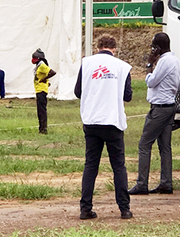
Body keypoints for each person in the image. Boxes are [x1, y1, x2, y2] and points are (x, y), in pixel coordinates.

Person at [75, 34, 133, 220]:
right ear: (114, 49)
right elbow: (128, 96)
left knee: (91, 165)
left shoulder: (86, 63)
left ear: (97, 46)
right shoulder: (122, 67)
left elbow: (78, 91)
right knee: (118, 166)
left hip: (91, 120)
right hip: (113, 121)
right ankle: (124, 209)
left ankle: (85, 208)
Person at [128, 32, 180, 195]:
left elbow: (151, 82)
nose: (152, 50)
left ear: (158, 48)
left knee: (144, 144)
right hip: (170, 106)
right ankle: (166, 183)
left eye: (153, 47)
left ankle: (142, 183)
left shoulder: (163, 62)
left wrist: (149, 66)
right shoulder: (175, 61)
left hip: (159, 108)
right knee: (165, 146)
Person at [32, 48, 56, 134]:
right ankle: (41, 128)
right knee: (40, 111)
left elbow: (52, 72)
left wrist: (44, 79)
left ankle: (43, 129)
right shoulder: (38, 66)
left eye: (34, 57)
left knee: (41, 111)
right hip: (39, 90)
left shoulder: (42, 65)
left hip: (41, 91)